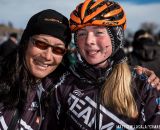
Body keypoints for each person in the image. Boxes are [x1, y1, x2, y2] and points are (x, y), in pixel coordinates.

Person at [46, 0, 160, 130]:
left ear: (117, 37)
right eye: (82, 34)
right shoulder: (63, 83)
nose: (89, 41)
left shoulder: (143, 85)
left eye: (99, 32)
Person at [0, 9, 71, 130]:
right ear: (25, 42)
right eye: (41, 44)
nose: (47, 56)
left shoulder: (61, 93)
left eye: (58, 50)